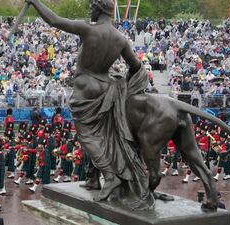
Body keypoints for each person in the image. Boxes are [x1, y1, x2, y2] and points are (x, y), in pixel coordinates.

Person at [27, 0, 152, 206]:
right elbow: (136, 66)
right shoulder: (120, 38)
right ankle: (93, 178)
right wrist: (124, 85)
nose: (90, 10)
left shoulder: (88, 29)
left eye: (92, 7)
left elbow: (54, 20)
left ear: (99, 8)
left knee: (87, 137)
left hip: (86, 87)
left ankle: (111, 177)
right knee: (104, 136)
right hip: (105, 87)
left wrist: (35, 2)